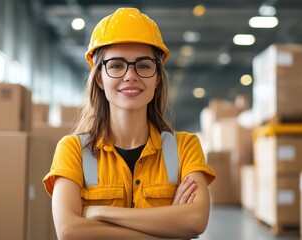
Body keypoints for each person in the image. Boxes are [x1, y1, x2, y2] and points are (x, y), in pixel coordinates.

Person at [43, 7, 216, 240]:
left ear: (157, 78)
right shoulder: (74, 151)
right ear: (99, 79)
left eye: (143, 65)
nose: (130, 75)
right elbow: (68, 231)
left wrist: (99, 212)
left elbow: (195, 220)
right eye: (116, 65)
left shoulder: (185, 148)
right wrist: (168, 227)